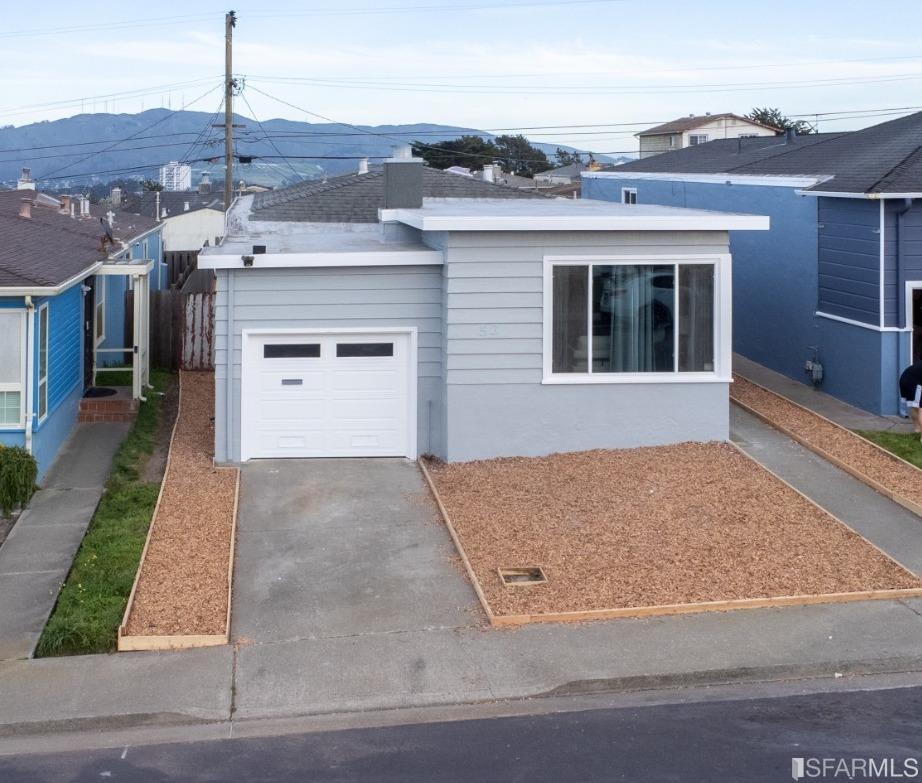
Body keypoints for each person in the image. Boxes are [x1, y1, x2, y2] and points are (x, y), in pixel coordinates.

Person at [899, 359, 922, 440]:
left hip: (904, 379)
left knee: (915, 406)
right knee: (920, 408)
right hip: (914, 382)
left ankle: (917, 429)